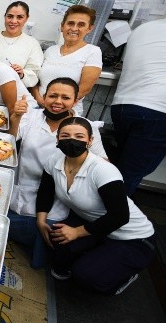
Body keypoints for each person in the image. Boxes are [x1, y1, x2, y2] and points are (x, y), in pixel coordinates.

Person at [36, 117, 156, 295]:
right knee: (56, 237)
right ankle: (95, 254)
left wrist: (77, 232)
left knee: (86, 275)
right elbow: (45, 191)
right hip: (97, 225)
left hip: (133, 238)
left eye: (79, 136)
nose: (72, 140)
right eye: (65, 136)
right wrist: (41, 221)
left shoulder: (103, 170)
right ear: (57, 139)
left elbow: (120, 216)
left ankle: (124, 275)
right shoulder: (55, 160)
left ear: (90, 140)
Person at [7, 78, 106, 269]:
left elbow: (104, 163)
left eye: (65, 98)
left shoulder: (84, 126)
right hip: (20, 189)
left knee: (48, 231)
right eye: (53, 96)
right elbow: (9, 142)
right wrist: (16, 118)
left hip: (56, 198)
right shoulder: (32, 115)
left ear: (76, 101)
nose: (58, 101)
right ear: (44, 97)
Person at [111, 18, 166, 196]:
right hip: (157, 110)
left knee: (121, 167)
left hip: (122, 106)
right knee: (130, 174)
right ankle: (108, 212)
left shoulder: (144, 28)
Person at [35, 5, 102, 115]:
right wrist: (38, 98)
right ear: (62, 26)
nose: (74, 28)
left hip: (66, 112)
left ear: (90, 28)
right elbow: (35, 79)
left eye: (81, 25)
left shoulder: (92, 52)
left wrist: (55, 105)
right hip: (38, 108)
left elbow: (85, 88)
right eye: (70, 23)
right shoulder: (51, 50)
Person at [0, 1, 43, 89]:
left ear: (26, 18)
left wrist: (22, 74)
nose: (13, 21)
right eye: (10, 16)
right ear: (5, 16)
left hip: (15, 93)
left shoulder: (32, 44)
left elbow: (34, 76)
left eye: (20, 17)